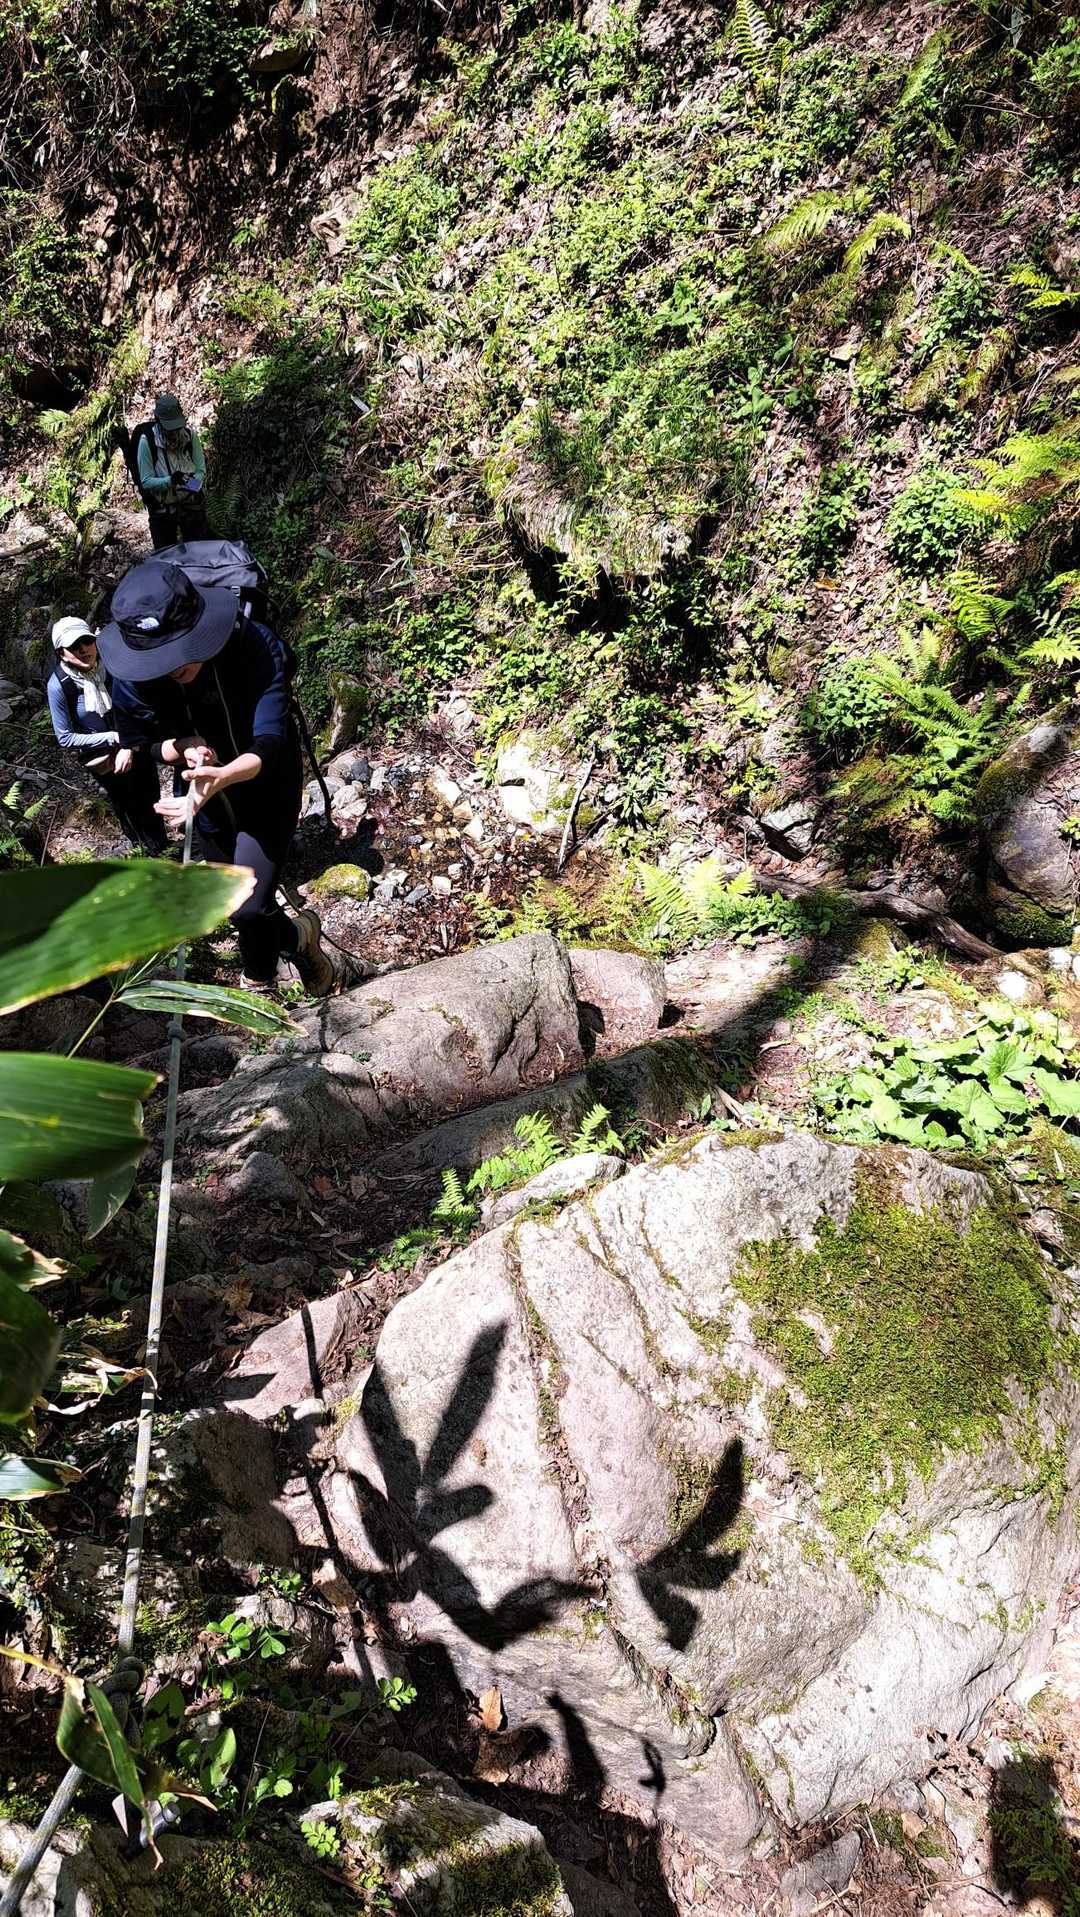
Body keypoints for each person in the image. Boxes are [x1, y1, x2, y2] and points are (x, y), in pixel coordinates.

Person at [97, 559, 355, 995]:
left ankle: (259, 984)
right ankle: (299, 938)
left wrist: (223, 775)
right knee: (233, 903)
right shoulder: (129, 678)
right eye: (157, 660)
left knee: (248, 905)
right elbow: (144, 743)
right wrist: (183, 746)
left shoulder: (252, 644)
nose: (171, 668)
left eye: (178, 651)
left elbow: (269, 742)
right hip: (202, 791)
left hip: (265, 784)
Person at [46, 616, 167, 853]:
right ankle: (145, 853)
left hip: (135, 742)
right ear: (62, 653)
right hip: (104, 757)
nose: (84, 649)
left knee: (150, 795)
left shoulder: (113, 665)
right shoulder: (59, 685)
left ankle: (163, 850)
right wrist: (113, 737)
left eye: (87, 641)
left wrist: (128, 743)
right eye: (74, 646)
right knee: (126, 804)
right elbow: (65, 737)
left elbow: (138, 704)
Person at [136, 394, 210, 552]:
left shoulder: (190, 436)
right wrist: (171, 481)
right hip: (162, 510)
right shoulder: (147, 442)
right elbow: (146, 481)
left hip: (191, 506)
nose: (174, 432)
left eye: (176, 427)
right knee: (166, 557)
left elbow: (200, 470)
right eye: (170, 428)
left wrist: (191, 484)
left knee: (199, 553)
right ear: (158, 421)